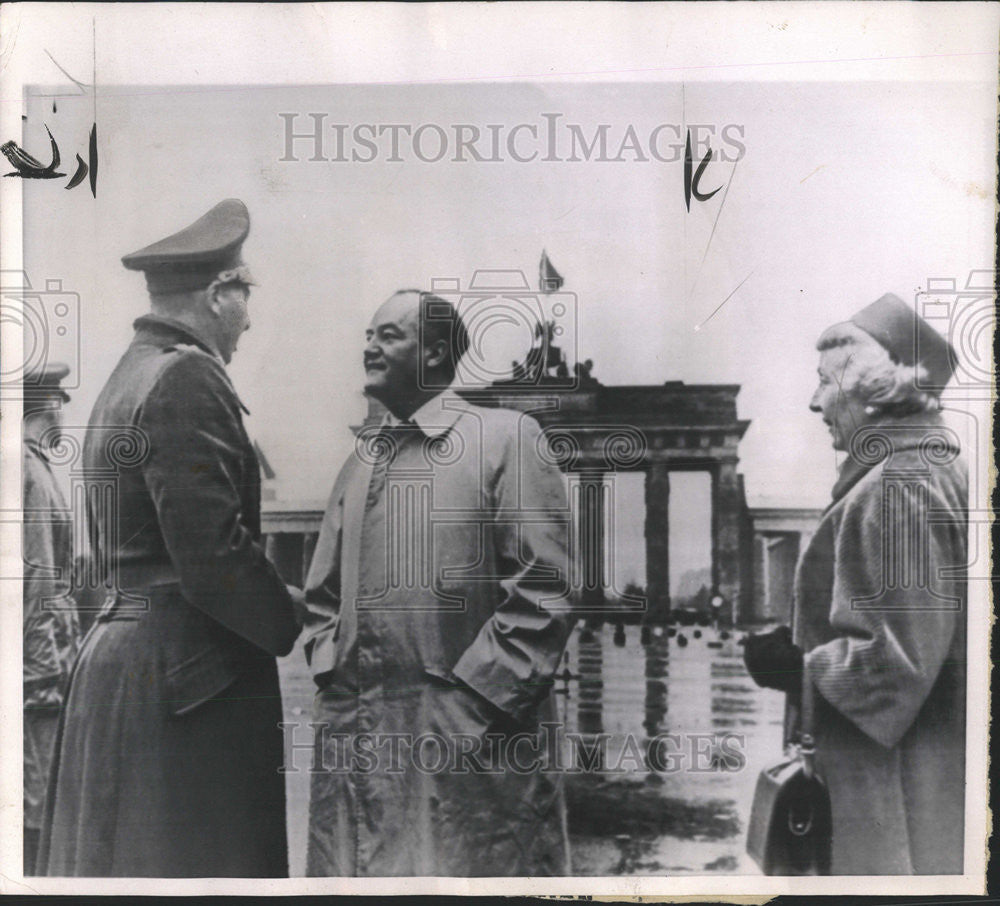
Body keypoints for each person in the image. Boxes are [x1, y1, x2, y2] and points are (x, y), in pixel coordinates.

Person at [38, 199, 303, 877]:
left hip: (127, 664)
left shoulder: (131, 373)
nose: (250, 317)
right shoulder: (188, 377)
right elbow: (213, 556)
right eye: (246, 294)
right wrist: (292, 615)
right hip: (183, 684)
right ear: (218, 295)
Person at [303, 289, 576, 876]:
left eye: (388, 336)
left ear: (434, 354)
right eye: (368, 336)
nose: (369, 348)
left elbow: (545, 588)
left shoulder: (506, 438)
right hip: (355, 742)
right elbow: (323, 595)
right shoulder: (359, 462)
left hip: (466, 748)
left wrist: (470, 706)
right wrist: (331, 672)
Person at [744, 293, 967, 874]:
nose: (815, 402)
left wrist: (796, 667)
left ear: (871, 391)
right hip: (921, 770)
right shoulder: (924, 470)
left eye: (824, 382)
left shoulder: (899, 487)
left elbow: (902, 660)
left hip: (890, 791)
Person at [22, 363, 80, 875]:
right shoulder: (31, 471)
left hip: (29, 665)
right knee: (36, 804)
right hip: (36, 675)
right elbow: (37, 583)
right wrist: (42, 679)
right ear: (49, 405)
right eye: (62, 403)